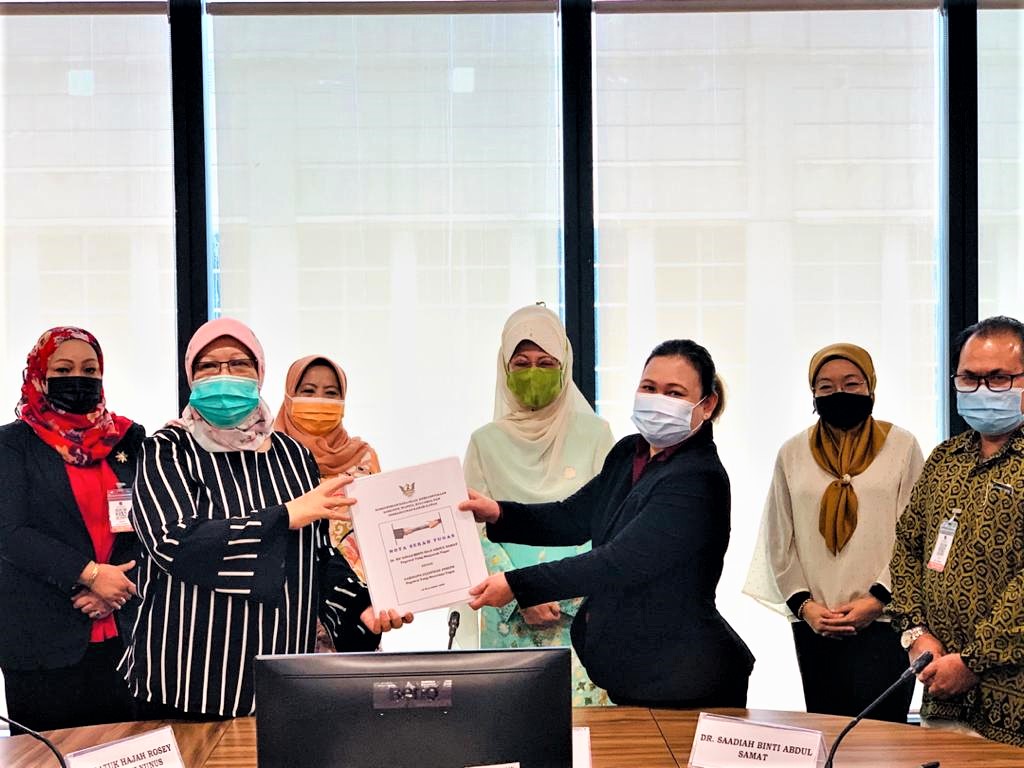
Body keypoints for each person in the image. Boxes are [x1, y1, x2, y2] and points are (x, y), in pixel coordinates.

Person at [121, 318, 411, 720]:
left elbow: (317, 555)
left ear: (259, 373)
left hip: (280, 673)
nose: (224, 375)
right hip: (188, 677)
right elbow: (173, 542)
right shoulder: (167, 449)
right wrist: (285, 516)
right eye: (209, 365)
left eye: (239, 363)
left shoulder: (292, 456)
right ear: (190, 377)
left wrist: (358, 606)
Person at [460, 339, 754, 707]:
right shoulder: (630, 451)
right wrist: (498, 513)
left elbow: (618, 562)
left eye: (674, 393)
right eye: (649, 388)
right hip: (636, 670)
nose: (657, 400)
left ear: (707, 404)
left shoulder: (698, 478)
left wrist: (517, 584)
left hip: (685, 675)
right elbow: (572, 516)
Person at [743, 343, 924, 722]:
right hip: (817, 623)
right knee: (827, 730)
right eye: (825, 387)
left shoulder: (902, 446)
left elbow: (915, 532)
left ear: (871, 387)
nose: (839, 393)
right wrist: (806, 607)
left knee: (885, 738)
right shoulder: (792, 452)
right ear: (813, 395)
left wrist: (877, 600)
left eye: (851, 384)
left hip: (885, 621)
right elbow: (779, 537)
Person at [463, 304, 616, 706]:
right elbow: (472, 531)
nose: (534, 372)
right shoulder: (484, 442)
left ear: (564, 367)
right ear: (505, 368)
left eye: (546, 363)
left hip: (579, 612)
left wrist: (554, 590)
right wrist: (520, 594)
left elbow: (608, 525)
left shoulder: (597, 435)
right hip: (507, 611)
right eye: (522, 363)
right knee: (510, 725)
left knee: (588, 733)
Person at [0, 327, 145, 732]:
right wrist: (90, 575)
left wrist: (112, 590)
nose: (78, 378)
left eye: (89, 369)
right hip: (42, 636)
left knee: (124, 749)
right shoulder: (12, 444)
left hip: (123, 631)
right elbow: (10, 533)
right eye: (63, 369)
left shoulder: (128, 438)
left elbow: (147, 523)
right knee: (47, 755)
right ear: (39, 376)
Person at [890, 315, 1024, 747]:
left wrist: (971, 661)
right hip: (941, 691)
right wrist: (916, 636)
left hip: (1012, 705)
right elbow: (907, 548)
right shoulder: (945, 458)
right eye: (969, 378)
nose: (982, 389)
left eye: (999, 378)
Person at [273, 355, 381, 577]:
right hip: (288, 587)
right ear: (289, 396)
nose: (319, 400)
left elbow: (380, 526)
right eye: (308, 391)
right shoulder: (268, 456)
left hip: (357, 590)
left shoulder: (364, 458)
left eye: (331, 393)